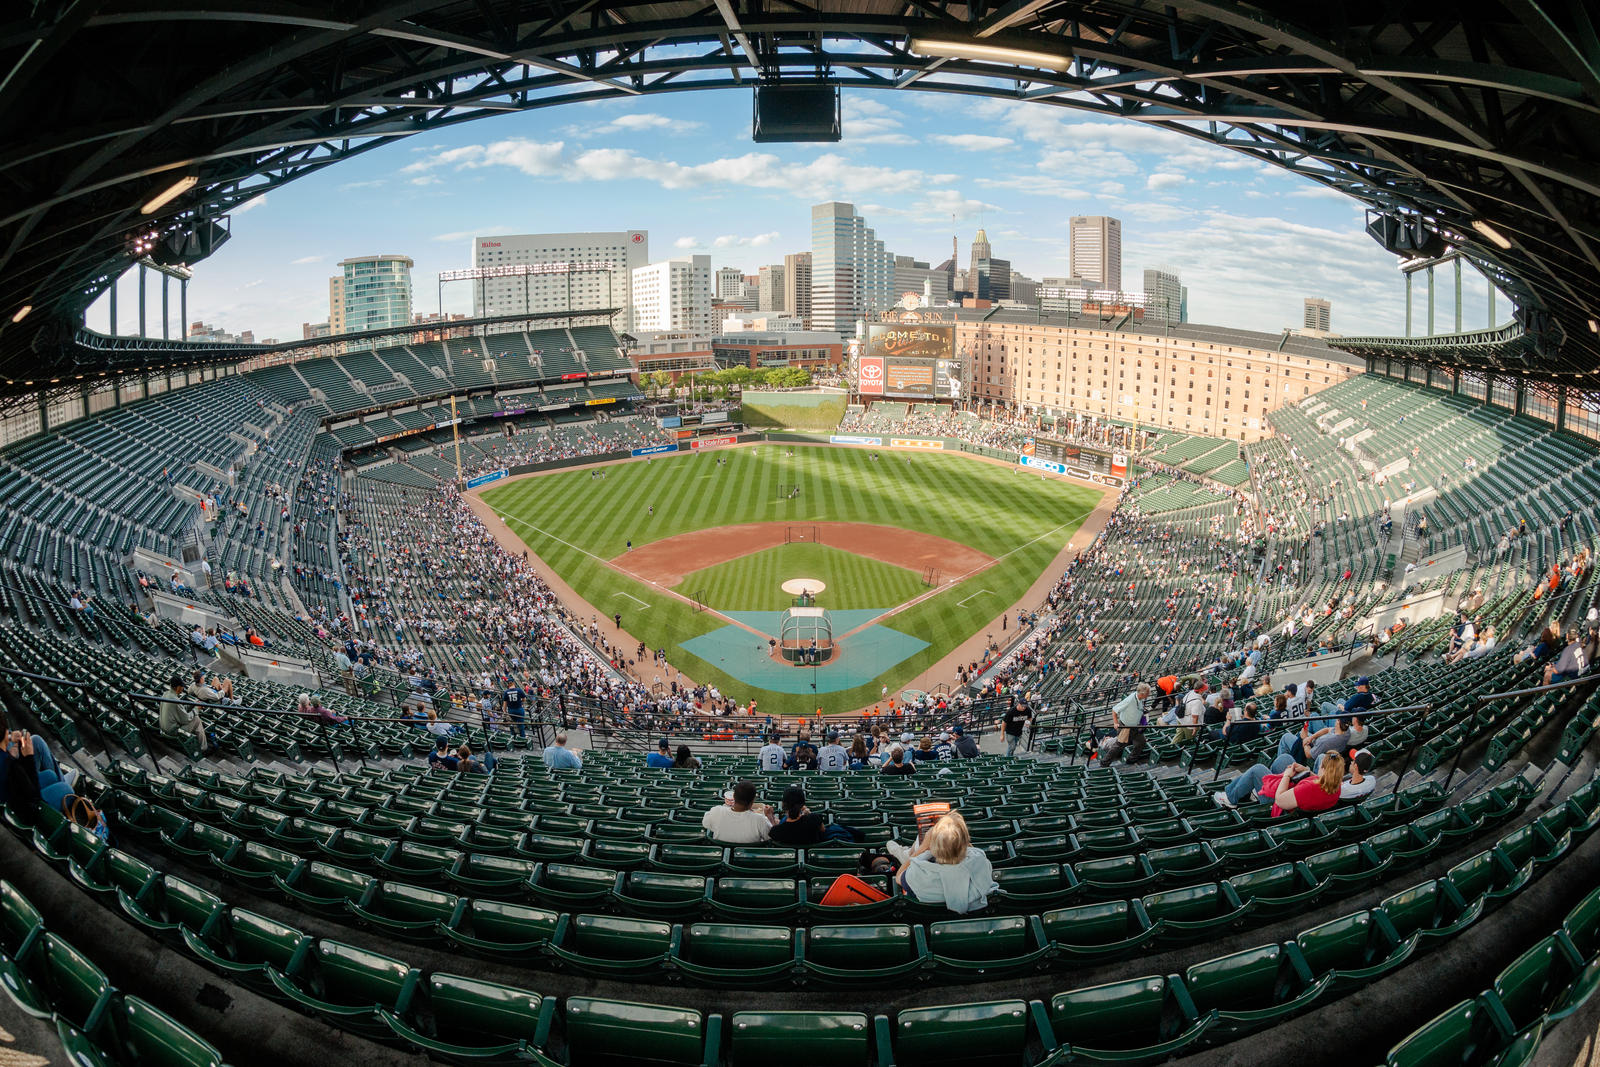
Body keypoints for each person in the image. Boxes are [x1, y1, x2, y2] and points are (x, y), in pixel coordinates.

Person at [886, 811, 997, 914]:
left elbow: (899, 877)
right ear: (965, 842)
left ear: (933, 847)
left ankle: (906, 852)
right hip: (970, 921)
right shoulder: (980, 861)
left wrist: (923, 847)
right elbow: (973, 851)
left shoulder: (917, 873)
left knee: (915, 847)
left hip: (929, 920)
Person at [1215, 751, 1346, 815]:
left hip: (1280, 808)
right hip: (1294, 795)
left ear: (1323, 769)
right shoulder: (1335, 785)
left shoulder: (1310, 789)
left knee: (1257, 769)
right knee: (1286, 758)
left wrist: (1287, 777)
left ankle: (1231, 798)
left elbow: (1280, 800)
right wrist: (1306, 771)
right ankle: (1258, 785)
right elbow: (1320, 781)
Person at [767, 785, 864, 845]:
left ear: (783, 804)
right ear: (802, 804)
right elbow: (822, 830)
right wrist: (806, 813)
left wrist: (770, 816)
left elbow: (774, 832)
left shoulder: (777, 831)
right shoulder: (813, 819)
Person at [701, 779, 774, 843]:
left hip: (720, 854)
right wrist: (770, 817)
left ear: (734, 796)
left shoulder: (716, 811)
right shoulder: (760, 820)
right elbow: (771, 837)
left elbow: (705, 824)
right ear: (752, 800)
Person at [159, 674, 208, 753]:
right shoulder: (175, 700)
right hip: (172, 732)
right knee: (196, 719)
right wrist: (196, 709)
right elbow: (185, 719)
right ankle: (203, 748)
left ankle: (201, 745)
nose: (183, 688)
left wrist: (192, 704)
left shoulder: (166, 694)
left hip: (164, 728)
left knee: (195, 719)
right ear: (178, 687)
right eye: (182, 686)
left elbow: (179, 710)